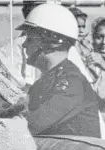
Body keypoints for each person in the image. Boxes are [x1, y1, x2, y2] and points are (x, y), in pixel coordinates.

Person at [17, 3, 100, 137]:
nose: (25, 44)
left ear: (52, 42)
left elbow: (28, 126)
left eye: (30, 39)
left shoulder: (72, 83)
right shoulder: (45, 82)